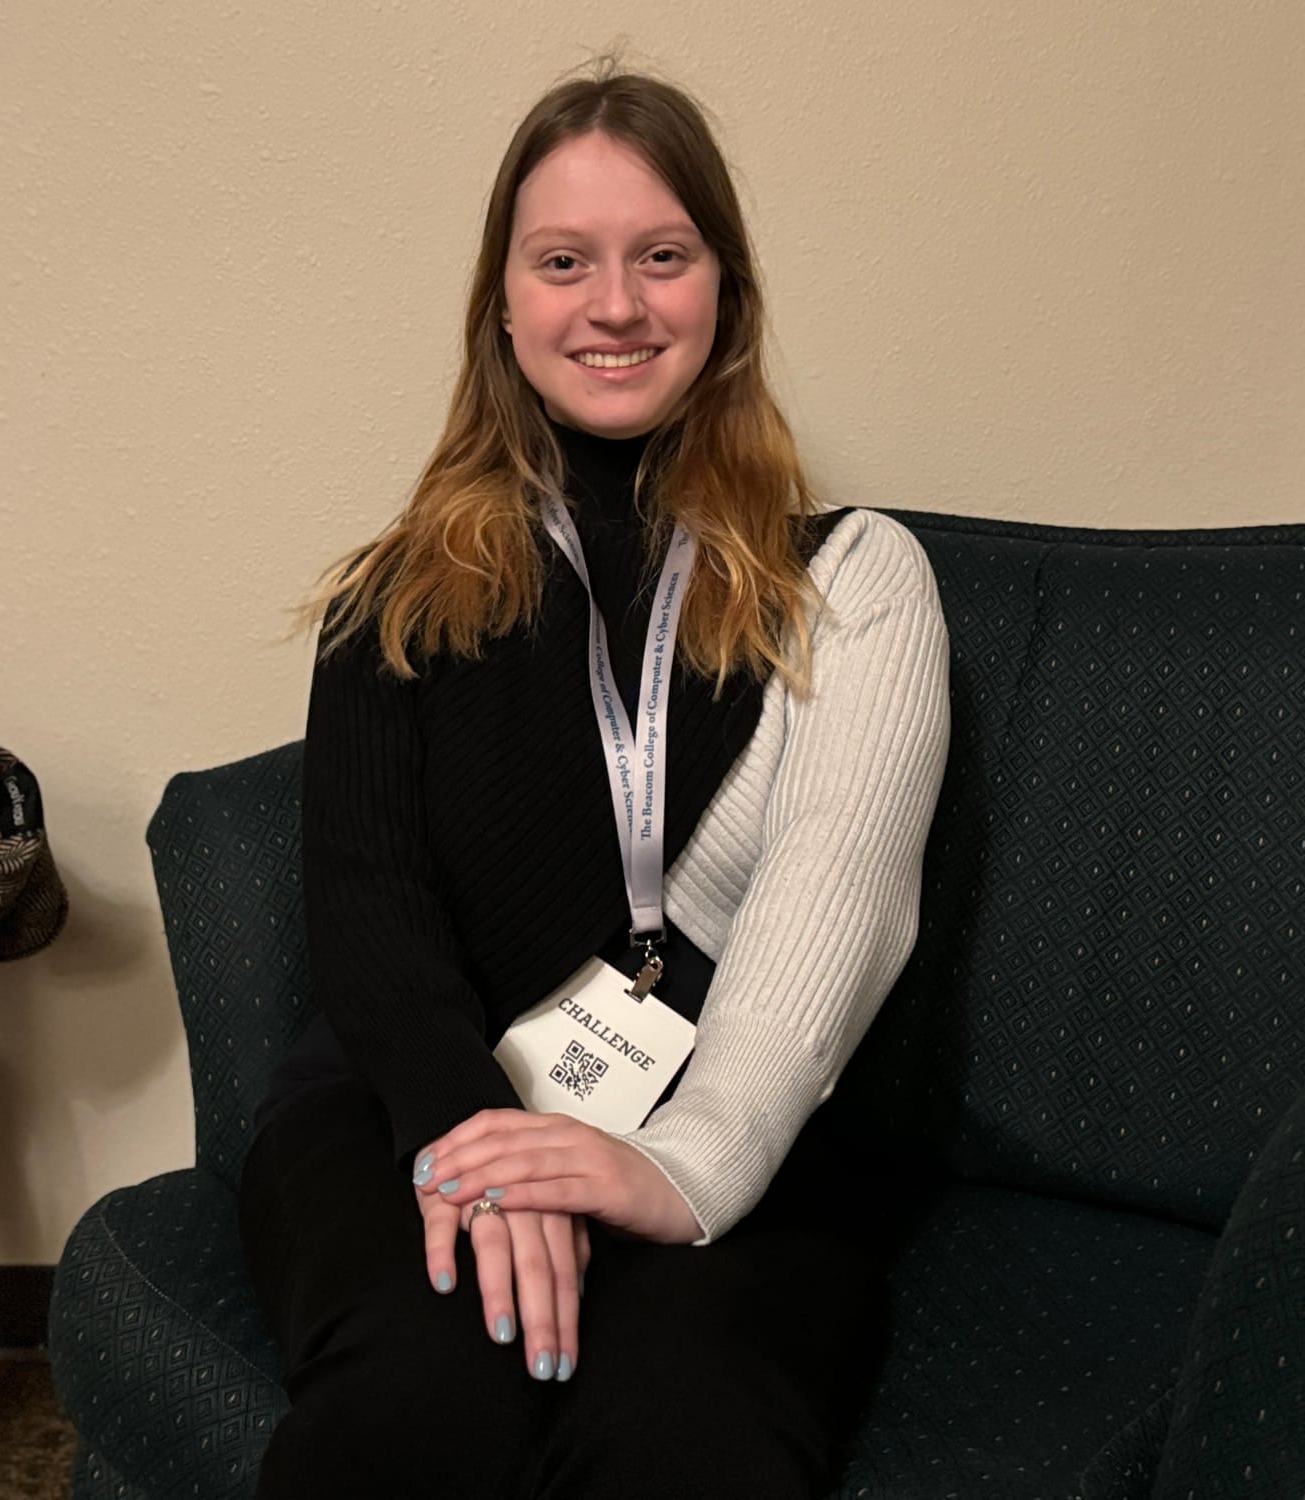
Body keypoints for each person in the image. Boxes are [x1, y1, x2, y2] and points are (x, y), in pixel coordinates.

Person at [239, 62, 950, 1499]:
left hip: (743, 1120)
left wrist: (682, 1171)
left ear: (727, 297)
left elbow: (839, 893)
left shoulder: (857, 578)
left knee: (688, 1426)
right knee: (413, 1403)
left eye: (662, 257)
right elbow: (368, 906)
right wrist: (470, 1144)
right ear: (504, 306)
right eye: (564, 262)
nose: (614, 306)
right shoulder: (396, 595)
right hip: (413, 1105)